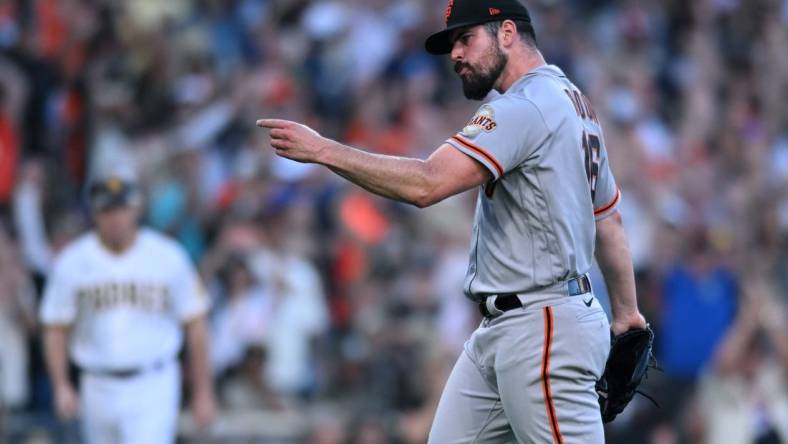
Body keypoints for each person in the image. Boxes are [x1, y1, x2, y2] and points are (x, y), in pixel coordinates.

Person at [257, 0, 646, 441]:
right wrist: (627, 313)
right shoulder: (576, 104)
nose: (455, 54)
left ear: (507, 33)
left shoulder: (524, 107)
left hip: (543, 326)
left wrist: (323, 150)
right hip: (508, 328)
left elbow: (427, 184)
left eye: (466, 38)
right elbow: (608, 218)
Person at [39, 168, 216, 444]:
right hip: (95, 383)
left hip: (153, 382)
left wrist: (203, 390)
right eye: (107, 210)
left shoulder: (167, 256)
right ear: (95, 214)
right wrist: (61, 385)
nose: (116, 218)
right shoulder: (72, 262)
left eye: (122, 208)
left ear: (136, 209)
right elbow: (55, 327)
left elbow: (196, 323)